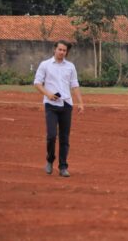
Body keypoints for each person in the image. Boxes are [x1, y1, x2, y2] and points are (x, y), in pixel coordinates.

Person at [33, 40, 84, 177]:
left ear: (67, 52)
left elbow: (74, 85)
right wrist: (48, 94)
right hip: (51, 105)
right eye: (60, 49)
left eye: (64, 50)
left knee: (64, 138)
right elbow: (37, 83)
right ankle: (50, 160)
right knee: (51, 135)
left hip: (66, 104)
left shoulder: (70, 66)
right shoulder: (45, 65)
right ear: (54, 49)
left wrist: (80, 102)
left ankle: (63, 166)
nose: (62, 52)